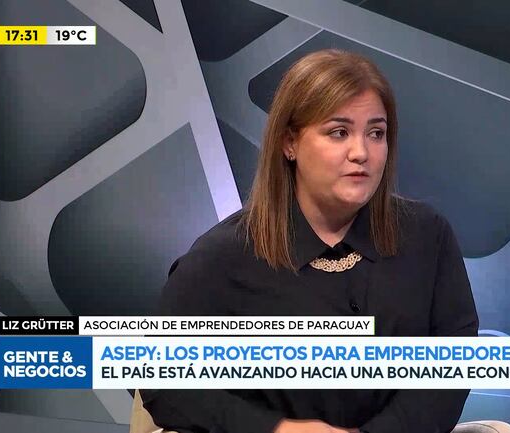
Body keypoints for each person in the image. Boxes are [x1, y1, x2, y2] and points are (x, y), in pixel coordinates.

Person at [140, 48, 479, 433]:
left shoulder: (426, 236)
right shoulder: (225, 256)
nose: (361, 153)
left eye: (376, 133)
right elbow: (162, 381)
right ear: (290, 143)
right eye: (339, 132)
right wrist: (277, 429)